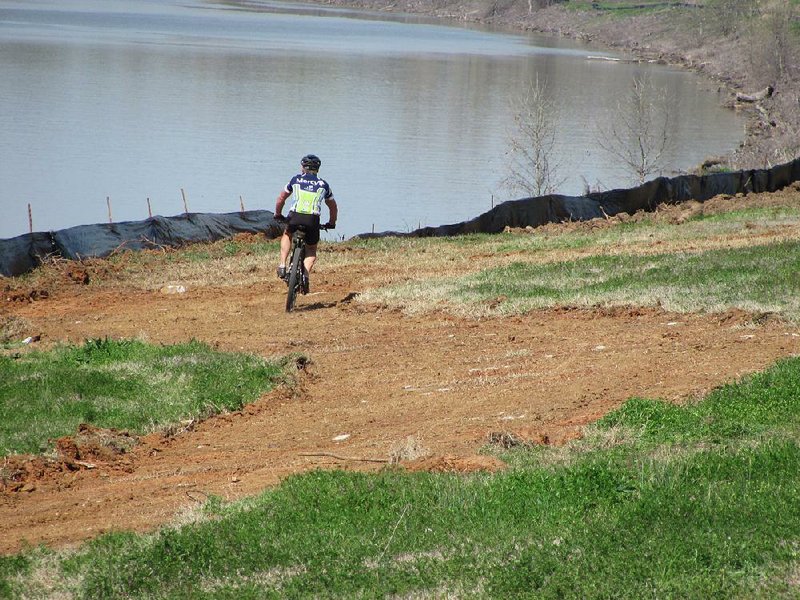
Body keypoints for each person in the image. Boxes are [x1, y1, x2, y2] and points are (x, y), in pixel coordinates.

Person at [274, 154, 338, 288]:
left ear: (303, 167)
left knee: (287, 234)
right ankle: (306, 275)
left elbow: (281, 199)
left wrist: (278, 214)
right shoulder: (324, 185)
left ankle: (282, 265)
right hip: (313, 219)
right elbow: (333, 207)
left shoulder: (295, 180)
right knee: (311, 249)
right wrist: (331, 223)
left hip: (295, 215)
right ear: (318, 169)